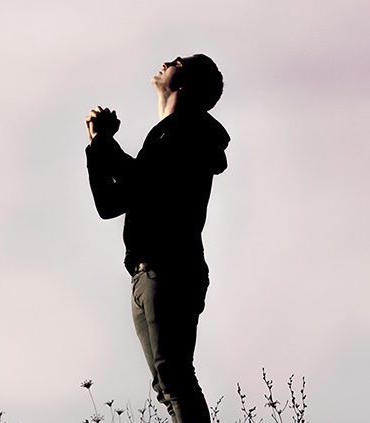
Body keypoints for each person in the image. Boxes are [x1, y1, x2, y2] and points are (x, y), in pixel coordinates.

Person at [84, 54, 229, 423]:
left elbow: (140, 182)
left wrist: (103, 145)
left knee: (175, 377)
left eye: (180, 61)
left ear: (188, 83)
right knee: (168, 383)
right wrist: (98, 147)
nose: (169, 61)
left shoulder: (189, 132)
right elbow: (111, 203)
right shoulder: (166, 136)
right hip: (145, 273)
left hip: (169, 269)